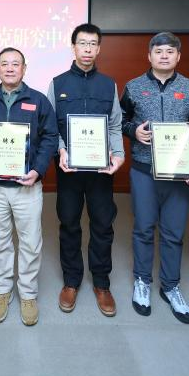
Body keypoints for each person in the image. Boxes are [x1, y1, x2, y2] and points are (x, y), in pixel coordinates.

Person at [120, 31, 189, 323]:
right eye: (159, 51)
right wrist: (134, 131)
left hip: (179, 174)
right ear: (149, 56)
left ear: (178, 56)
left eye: (170, 51)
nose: (164, 56)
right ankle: (142, 281)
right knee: (143, 229)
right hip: (144, 170)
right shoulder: (134, 86)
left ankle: (170, 286)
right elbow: (121, 121)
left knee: (173, 232)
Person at [0, 47, 58, 326]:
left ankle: (28, 294)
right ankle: (2, 290)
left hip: (27, 187)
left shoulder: (39, 100)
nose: (10, 68)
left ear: (24, 68)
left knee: (30, 243)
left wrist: (38, 169)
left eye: (15, 64)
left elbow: (50, 137)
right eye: (4, 64)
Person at [46, 23, 124, 316]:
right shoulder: (58, 83)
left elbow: (115, 124)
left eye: (93, 44)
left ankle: (101, 283)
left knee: (103, 224)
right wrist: (61, 149)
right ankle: (71, 281)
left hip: (101, 171)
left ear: (99, 48)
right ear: (73, 47)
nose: (87, 49)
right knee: (69, 223)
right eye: (82, 43)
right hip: (69, 170)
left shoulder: (108, 84)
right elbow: (50, 125)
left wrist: (119, 154)